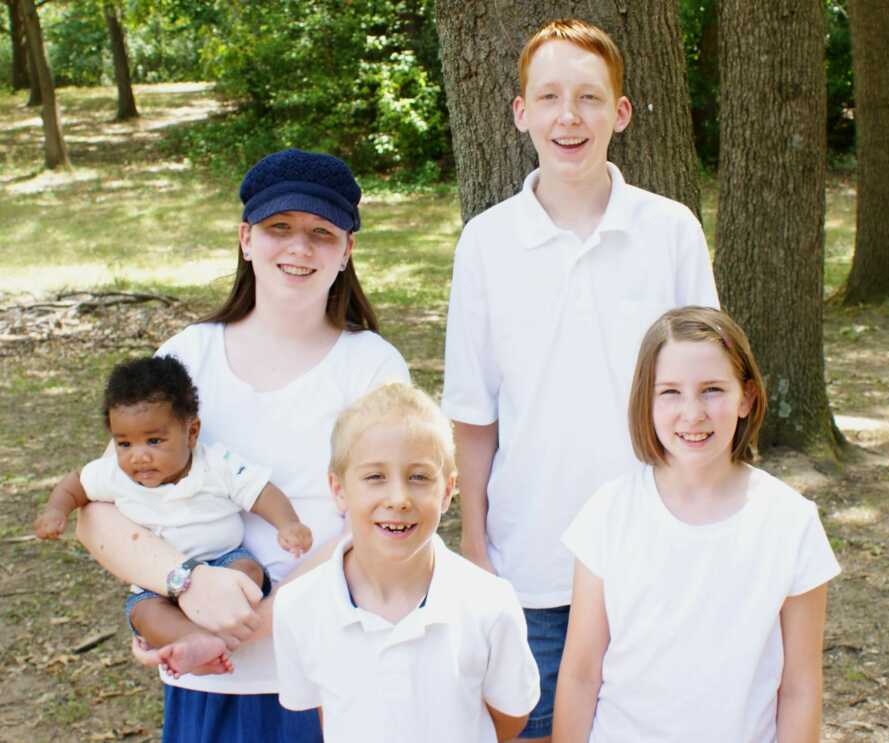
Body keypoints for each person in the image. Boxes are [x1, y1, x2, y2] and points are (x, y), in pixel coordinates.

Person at [441, 18, 718, 740]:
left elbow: (709, 401)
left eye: (591, 98)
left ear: (620, 114)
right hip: (528, 566)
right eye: (551, 97)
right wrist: (476, 546)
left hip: (654, 558)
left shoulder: (672, 231)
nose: (570, 117)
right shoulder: (486, 243)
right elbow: (474, 414)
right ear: (520, 112)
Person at [75, 148, 410, 743]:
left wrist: (250, 623)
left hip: (328, 671)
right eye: (279, 228)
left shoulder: (371, 367)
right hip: (209, 683)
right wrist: (183, 591)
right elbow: (100, 513)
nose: (299, 248)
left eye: (321, 233)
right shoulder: (187, 355)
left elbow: (384, 523)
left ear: (347, 252)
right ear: (246, 239)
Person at [554, 306, 841, 742]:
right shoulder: (608, 513)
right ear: (646, 400)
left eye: (712, 390)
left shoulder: (789, 522)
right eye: (670, 392)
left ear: (746, 397)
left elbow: (800, 688)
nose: (692, 413)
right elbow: (580, 674)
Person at [273, 383, 540, 742]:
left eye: (419, 477)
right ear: (338, 490)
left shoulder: (490, 603)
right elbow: (325, 710)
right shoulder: (297, 606)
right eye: (375, 477)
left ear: (447, 491)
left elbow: (509, 718)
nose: (398, 498)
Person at [34, 355, 313, 677]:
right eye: (124, 443)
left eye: (154, 441)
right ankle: (195, 642)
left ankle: (218, 625)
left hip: (224, 561)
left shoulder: (216, 464)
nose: (139, 456)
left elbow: (261, 491)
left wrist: (288, 523)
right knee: (144, 614)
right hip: (157, 579)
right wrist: (56, 510)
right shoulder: (114, 474)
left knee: (248, 570)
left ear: (191, 432)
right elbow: (76, 484)